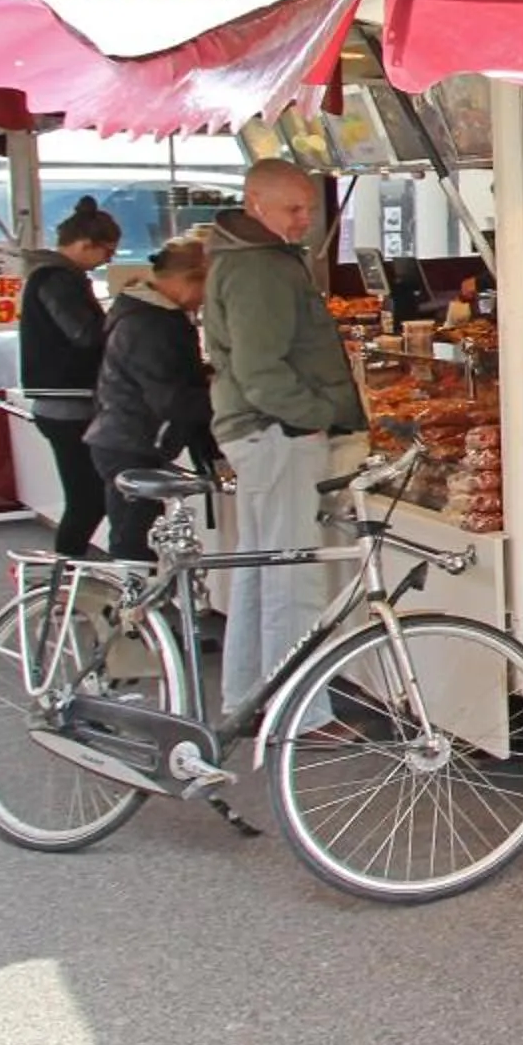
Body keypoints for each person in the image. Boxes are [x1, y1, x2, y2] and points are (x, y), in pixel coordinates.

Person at [202, 159, 365, 722]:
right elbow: (261, 370)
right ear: (255, 204)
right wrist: (314, 416)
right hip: (278, 436)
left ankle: (247, 697)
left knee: (258, 571)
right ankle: (301, 713)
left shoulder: (245, 260)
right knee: (291, 577)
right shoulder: (260, 269)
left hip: (259, 434)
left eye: (308, 209)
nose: (304, 221)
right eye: (293, 210)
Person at [86, 236, 218, 565]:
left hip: (124, 437)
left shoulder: (147, 315)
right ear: (190, 279)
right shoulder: (150, 324)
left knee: (135, 533)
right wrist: (228, 400)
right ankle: (125, 608)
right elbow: (171, 397)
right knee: (132, 539)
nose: (207, 299)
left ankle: (132, 605)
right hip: (131, 441)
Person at [22, 198, 122, 557]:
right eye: (107, 253)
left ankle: (67, 578)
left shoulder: (52, 276)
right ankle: (65, 581)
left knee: (86, 498)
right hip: (68, 403)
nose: (108, 261)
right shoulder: (58, 279)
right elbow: (84, 333)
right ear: (84, 245)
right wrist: (121, 319)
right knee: (88, 499)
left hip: (60, 401)